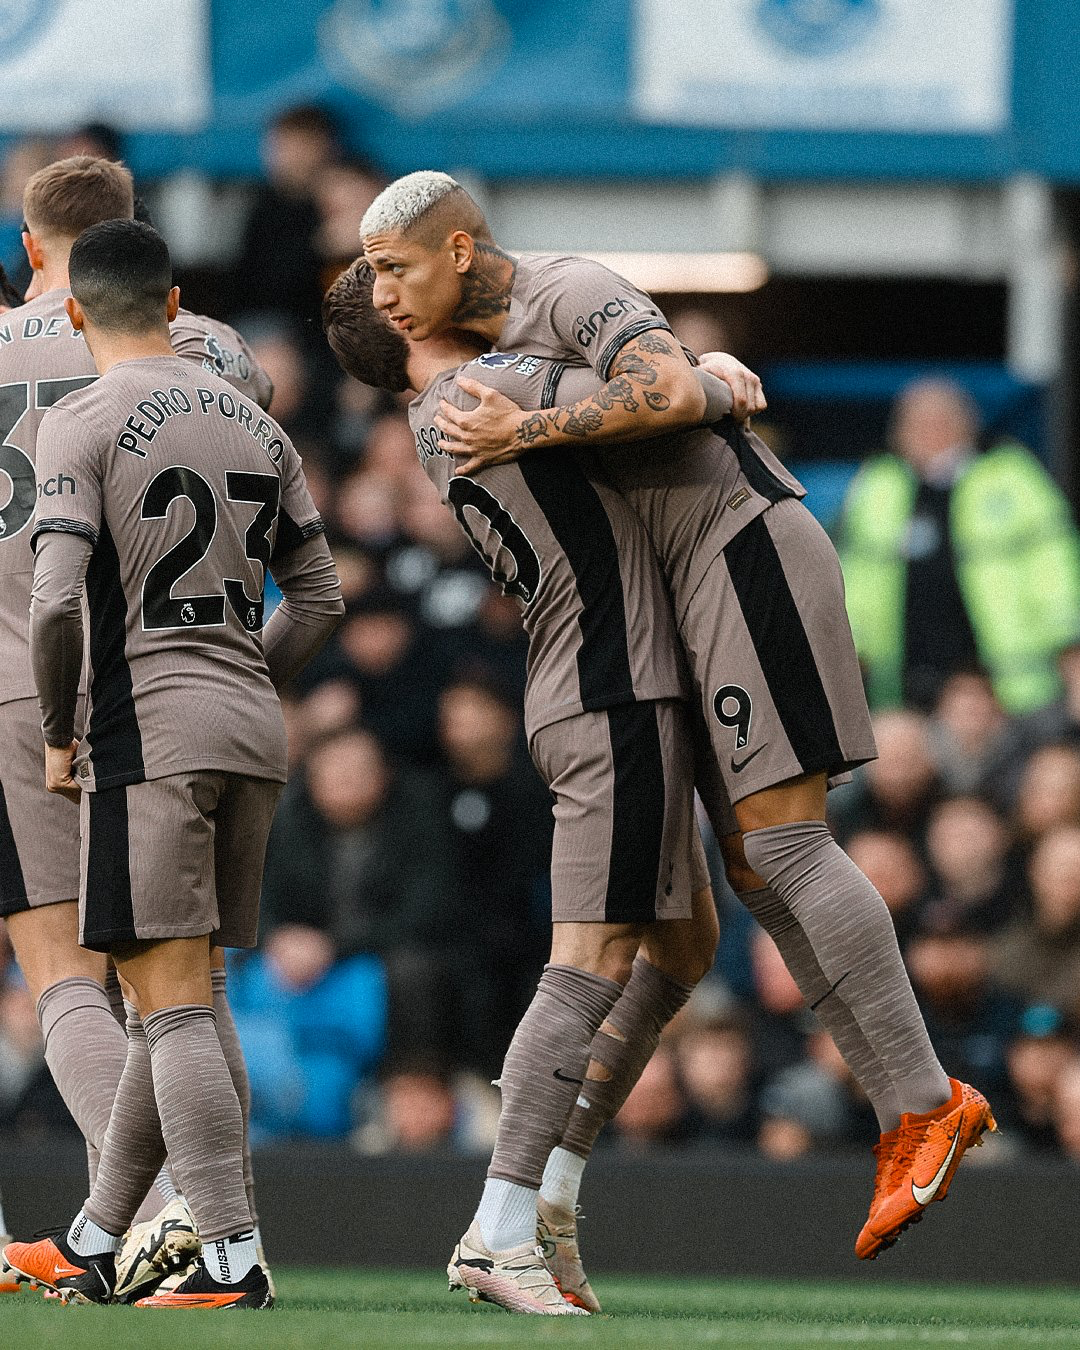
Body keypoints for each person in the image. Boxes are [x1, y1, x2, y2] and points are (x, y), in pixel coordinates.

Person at [356, 171, 995, 1266]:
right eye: (369, 284)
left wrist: (655, 390)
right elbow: (677, 389)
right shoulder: (486, 370)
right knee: (751, 870)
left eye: (395, 269)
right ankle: (906, 1113)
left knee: (785, 846)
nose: (387, 294)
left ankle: (925, 1103)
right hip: (690, 592)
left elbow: (666, 386)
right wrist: (697, 378)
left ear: (460, 249)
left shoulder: (568, 289)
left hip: (744, 549)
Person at [325, 260, 727, 1314]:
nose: (429, 284)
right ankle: (502, 1227)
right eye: (400, 279)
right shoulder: (475, 392)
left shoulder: (452, 405)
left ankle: (550, 1185)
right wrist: (715, 375)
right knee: (588, 957)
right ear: (399, 323)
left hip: (596, 680)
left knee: (684, 947)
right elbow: (661, 394)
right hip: (611, 685)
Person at [4, 218, 343, 1309]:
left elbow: (57, 599)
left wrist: (64, 728)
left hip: (146, 728)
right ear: (177, 298)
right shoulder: (255, 418)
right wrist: (248, 681)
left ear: (69, 311)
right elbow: (325, 596)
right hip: (253, 725)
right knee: (190, 991)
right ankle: (102, 1233)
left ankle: (226, 1256)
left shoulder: (83, 418)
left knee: (173, 1007)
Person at [838, 376, 1080, 714]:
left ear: (966, 425)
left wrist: (1072, 656)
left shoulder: (1011, 476)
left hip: (1009, 689)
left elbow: (1054, 570)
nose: (929, 434)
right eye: (916, 424)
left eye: (941, 422)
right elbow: (853, 580)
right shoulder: (878, 484)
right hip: (902, 689)